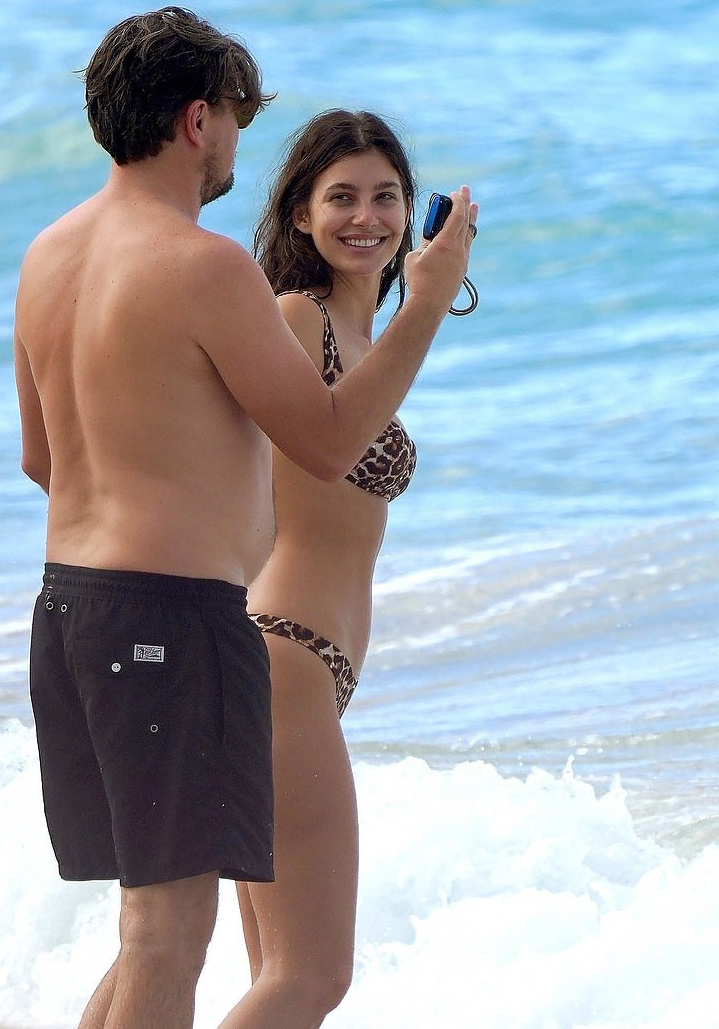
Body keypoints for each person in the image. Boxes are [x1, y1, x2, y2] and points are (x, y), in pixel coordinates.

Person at [13, 5, 478, 1029]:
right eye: (233, 116)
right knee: (178, 936)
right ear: (197, 120)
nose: (234, 140)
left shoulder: (48, 254)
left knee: (152, 931)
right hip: (172, 616)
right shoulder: (205, 264)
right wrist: (427, 302)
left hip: (72, 607)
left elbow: (40, 458)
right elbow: (327, 442)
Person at [222, 110, 471, 1028]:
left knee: (274, 975)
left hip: (296, 666)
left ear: (412, 212)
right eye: (341, 198)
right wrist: (427, 304)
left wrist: (415, 308)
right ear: (299, 213)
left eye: (386, 196)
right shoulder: (298, 318)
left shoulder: (359, 341)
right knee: (311, 978)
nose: (366, 217)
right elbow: (319, 451)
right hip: (285, 653)